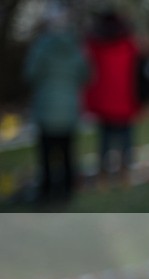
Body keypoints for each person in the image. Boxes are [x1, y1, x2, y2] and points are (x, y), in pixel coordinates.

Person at [23, 5, 89, 203]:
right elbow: (86, 75)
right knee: (68, 153)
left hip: (46, 108)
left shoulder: (41, 46)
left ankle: (47, 191)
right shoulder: (75, 47)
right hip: (69, 109)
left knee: (46, 156)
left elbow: (30, 74)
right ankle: (67, 191)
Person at [83, 9, 141, 189]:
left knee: (105, 144)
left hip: (104, 104)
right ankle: (125, 174)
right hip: (126, 101)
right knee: (126, 142)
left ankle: (103, 176)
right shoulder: (128, 44)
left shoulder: (94, 45)